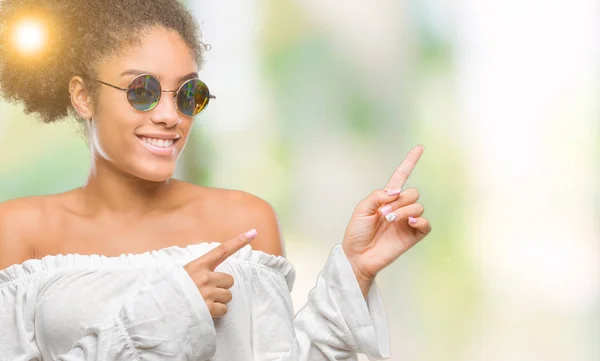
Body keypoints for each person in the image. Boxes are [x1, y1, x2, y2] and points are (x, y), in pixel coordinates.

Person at [0, 1, 431, 360]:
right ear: (82, 96)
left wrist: (355, 272)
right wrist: (165, 315)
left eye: (189, 95)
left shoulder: (245, 220)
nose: (170, 116)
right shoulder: (21, 231)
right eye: (142, 91)